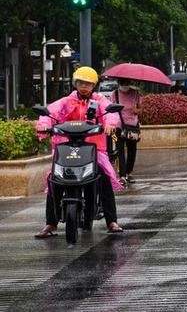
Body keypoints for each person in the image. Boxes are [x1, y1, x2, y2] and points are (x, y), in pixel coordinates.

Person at [34, 66, 124, 238]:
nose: (84, 87)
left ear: (94, 85)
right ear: (75, 84)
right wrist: (44, 124)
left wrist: (110, 124)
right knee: (54, 179)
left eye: (88, 84)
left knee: (104, 177)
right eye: (81, 83)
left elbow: (111, 114)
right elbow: (49, 112)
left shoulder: (100, 101)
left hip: (94, 149)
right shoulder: (65, 101)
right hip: (66, 147)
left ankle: (112, 221)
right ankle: (50, 223)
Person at [113, 78, 141, 185]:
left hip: (133, 126)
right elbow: (110, 108)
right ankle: (122, 175)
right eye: (122, 83)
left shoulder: (135, 94)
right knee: (119, 151)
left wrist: (136, 110)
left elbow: (141, 109)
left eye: (126, 83)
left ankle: (129, 173)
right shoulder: (114, 94)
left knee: (132, 150)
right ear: (118, 83)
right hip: (119, 126)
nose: (124, 85)